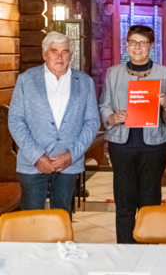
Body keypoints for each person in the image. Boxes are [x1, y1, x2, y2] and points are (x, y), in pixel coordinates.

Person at [99, 25, 166, 244]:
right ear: (127, 45)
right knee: (124, 201)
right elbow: (104, 104)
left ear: (151, 46)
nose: (137, 47)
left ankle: (149, 249)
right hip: (121, 144)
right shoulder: (113, 73)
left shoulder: (164, 73)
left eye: (143, 43)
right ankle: (125, 249)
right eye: (133, 42)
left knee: (150, 200)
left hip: (153, 145)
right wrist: (113, 117)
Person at [8, 31, 100, 214]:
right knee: (31, 218)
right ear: (44, 54)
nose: (59, 57)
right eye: (54, 51)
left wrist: (72, 155)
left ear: (70, 55)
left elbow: (92, 122)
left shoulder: (85, 82)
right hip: (33, 163)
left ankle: (61, 245)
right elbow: (16, 121)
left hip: (69, 163)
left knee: (62, 216)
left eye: (65, 52)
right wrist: (37, 156)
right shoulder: (26, 80)